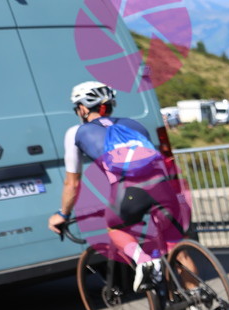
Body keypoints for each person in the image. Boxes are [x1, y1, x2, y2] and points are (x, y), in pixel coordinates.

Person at [48, 82, 184, 289]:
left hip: (129, 191)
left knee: (115, 228)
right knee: (176, 247)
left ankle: (143, 261)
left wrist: (63, 214)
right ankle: (197, 299)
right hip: (162, 187)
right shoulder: (135, 125)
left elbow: (72, 183)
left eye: (77, 108)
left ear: (83, 108)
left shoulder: (76, 132)